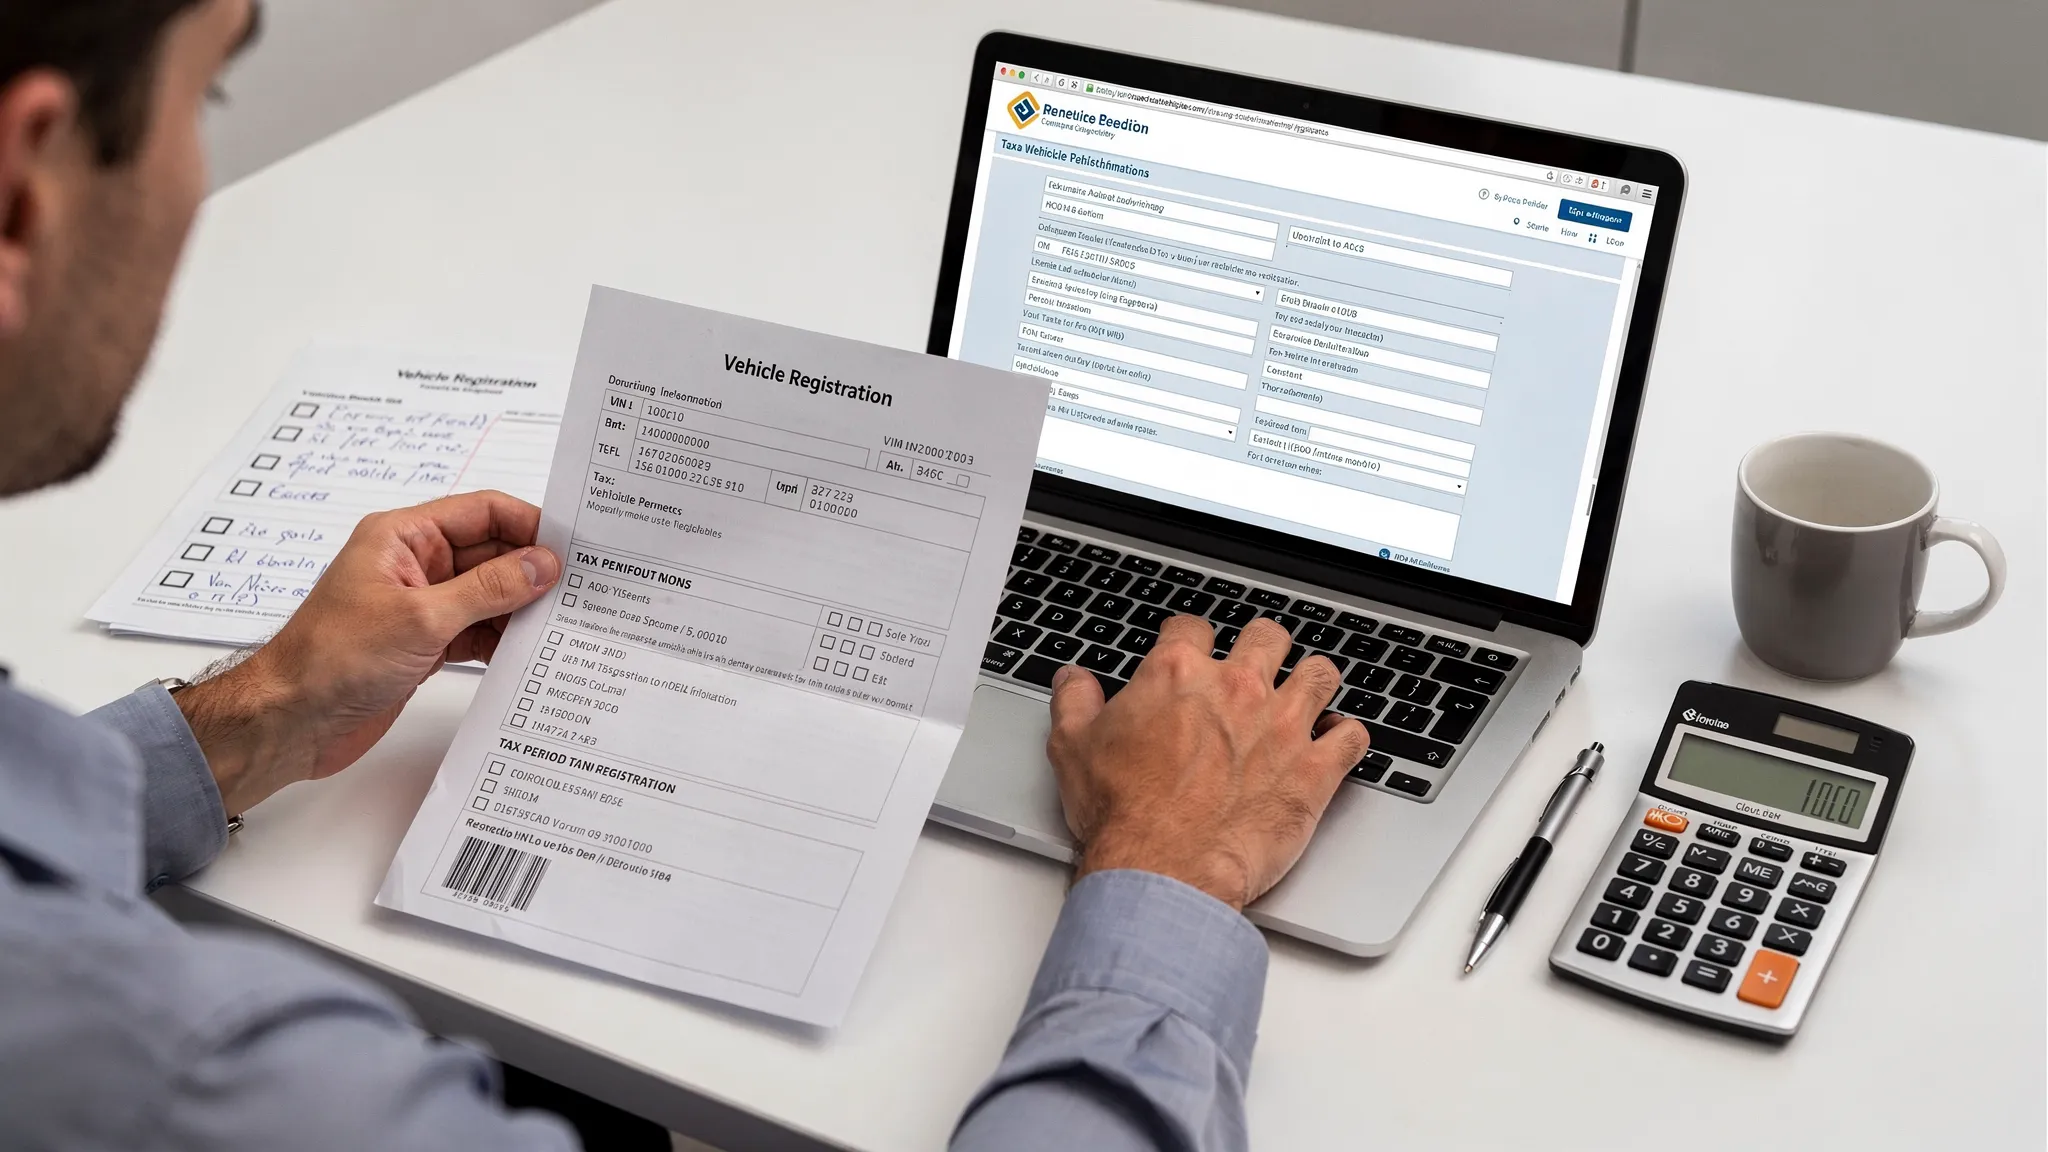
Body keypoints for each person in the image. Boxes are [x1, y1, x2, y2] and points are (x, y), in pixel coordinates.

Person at [0, 3, 1370, 1149]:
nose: (194, 178)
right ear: (25, 184)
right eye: (210, 99)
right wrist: (1169, 875)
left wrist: (252, 716)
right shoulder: (214, 1074)